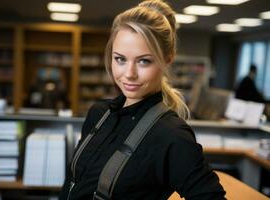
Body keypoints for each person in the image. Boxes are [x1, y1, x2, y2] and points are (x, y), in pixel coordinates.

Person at [59, 0, 226, 199]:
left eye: (144, 61)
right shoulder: (99, 113)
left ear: (167, 59)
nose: (129, 74)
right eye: (120, 59)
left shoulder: (171, 135)